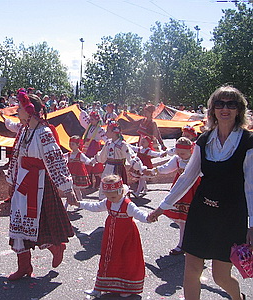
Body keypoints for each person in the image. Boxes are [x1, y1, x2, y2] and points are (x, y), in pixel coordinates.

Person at [148, 86, 253, 300]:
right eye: (219, 104)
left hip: (231, 216)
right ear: (212, 109)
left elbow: (251, 185)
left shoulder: (248, 141)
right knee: (191, 272)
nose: (225, 108)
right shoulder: (204, 140)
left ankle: (238, 298)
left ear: (239, 110)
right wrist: (162, 207)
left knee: (221, 277)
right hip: (201, 213)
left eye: (231, 104)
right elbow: (188, 177)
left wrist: (252, 224)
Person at [6, 89, 75, 280]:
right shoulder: (23, 131)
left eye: (19, 108)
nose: (17, 112)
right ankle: (24, 266)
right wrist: (11, 180)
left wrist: (67, 188)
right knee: (18, 223)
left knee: (40, 222)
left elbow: (55, 160)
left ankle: (55, 247)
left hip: (39, 185)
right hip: (22, 183)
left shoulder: (44, 133)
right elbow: (16, 158)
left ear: (29, 111)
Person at [70, 174, 150, 298]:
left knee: (126, 259)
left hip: (126, 237)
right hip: (110, 236)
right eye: (108, 196)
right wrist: (79, 204)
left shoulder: (127, 204)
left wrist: (149, 217)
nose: (110, 199)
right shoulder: (108, 201)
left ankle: (126, 287)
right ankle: (100, 287)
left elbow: (139, 214)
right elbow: (95, 207)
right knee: (107, 259)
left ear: (120, 191)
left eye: (113, 196)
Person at [146, 137, 200, 255]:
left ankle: (192, 243)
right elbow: (166, 168)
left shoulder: (196, 159)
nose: (180, 155)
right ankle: (182, 244)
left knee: (193, 219)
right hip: (180, 190)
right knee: (182, 220)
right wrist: (153, 171)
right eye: (178, 153)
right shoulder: (177, 159)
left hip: (194, 190)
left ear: (191, 150)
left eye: (183, 153)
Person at [91, 119, 145, 199]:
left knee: (117, 190)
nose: (106, 133)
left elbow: (131, 156)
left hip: (118, 170)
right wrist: (94, 160)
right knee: (105, 188)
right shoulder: (108, 143)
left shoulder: (122, 145)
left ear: (114, 133)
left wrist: (138, 166)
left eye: (108, 131)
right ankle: (107, 205)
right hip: (107, 169)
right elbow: (102, 156)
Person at [79, 110, 107, 189]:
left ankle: (98, 181)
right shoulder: (89, 126)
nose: (90, 121)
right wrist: (81, 110)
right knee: (87, 163)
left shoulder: (100, 129)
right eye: (90, 119)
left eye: (92, 119)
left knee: (96, 163)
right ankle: (89, 182)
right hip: (87, 147)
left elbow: (105, 138)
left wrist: (109, 144)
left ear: (97, 120)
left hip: (94, 147)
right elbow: (83, 119)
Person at [64, 135, 91, 203]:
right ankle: (78, 202)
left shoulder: (80, 154)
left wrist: (91, 162)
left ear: (77, 145)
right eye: (70, 144)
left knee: (75, 189)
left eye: (72, 144)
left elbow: (86, 160)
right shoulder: (69, 154)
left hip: (77, 174)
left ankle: (76, 202)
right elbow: (61, 157)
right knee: (74, 189)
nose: (70, 145)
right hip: (70, 174)